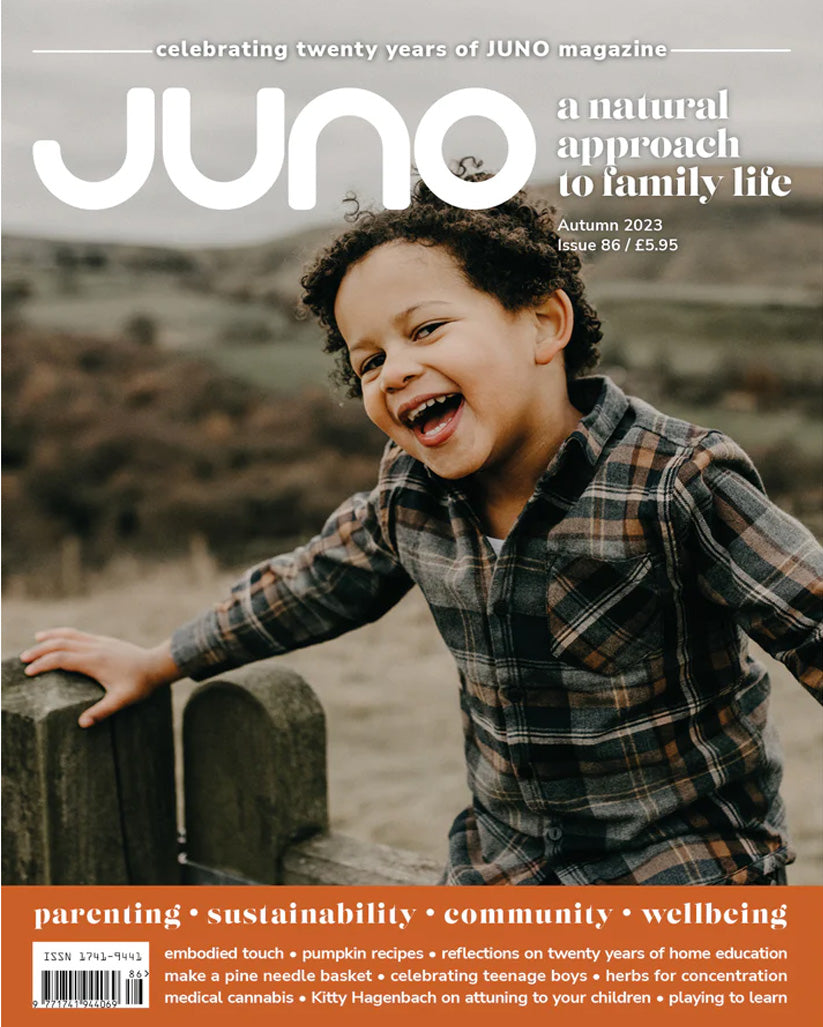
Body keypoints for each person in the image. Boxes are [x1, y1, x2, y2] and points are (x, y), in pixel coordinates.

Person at [21, 171, 823, 886]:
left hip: (682, 876)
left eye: (426, 329)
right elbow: (309, 584)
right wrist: (160, 659)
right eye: (367, 361)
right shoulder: (412, 496)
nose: (394, 369)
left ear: (544, 324)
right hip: (503, 870)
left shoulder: (674, 481)